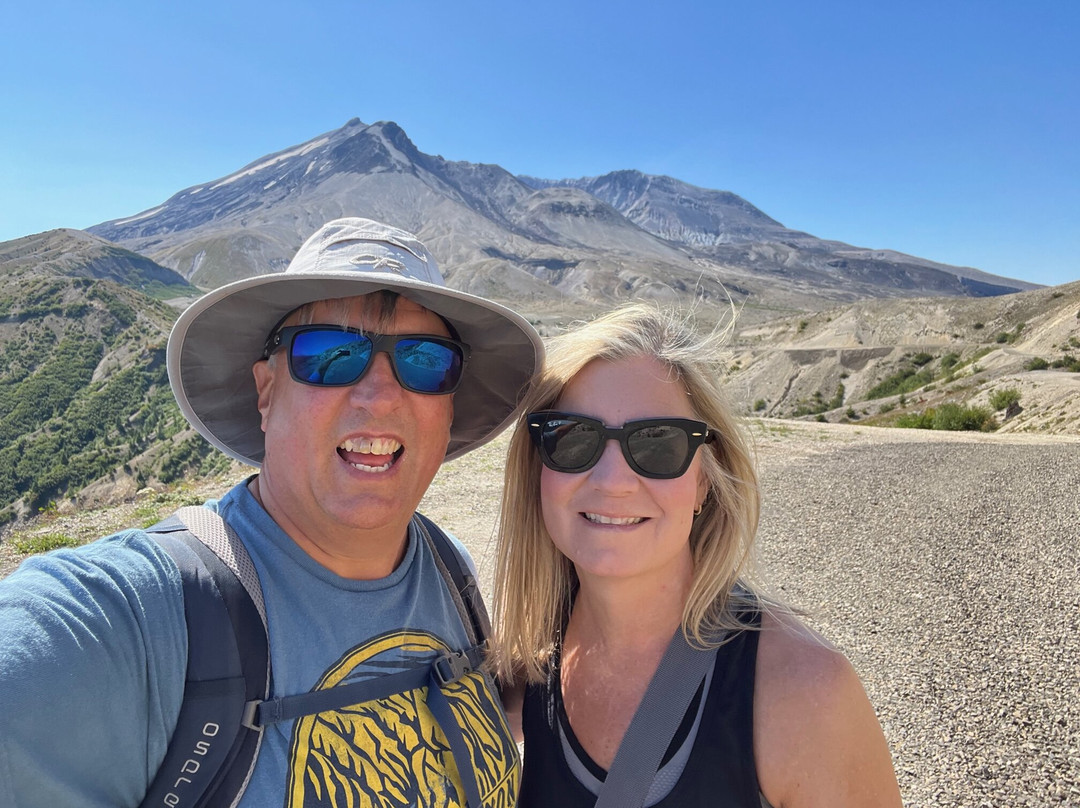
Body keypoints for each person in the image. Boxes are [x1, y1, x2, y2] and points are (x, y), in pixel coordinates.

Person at [0, 218, 543, 807]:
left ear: (449, 405)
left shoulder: (449, 570)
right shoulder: (126, 620)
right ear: (266, 391)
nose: (382, 395)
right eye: (330, 356)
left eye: (424, 362)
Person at [490, 303, 902, 807]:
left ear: (705, 478)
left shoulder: (804, 693)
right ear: (537, 468)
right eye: (574, 439)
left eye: (658, 444)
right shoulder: (523, 663)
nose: (613, 482)